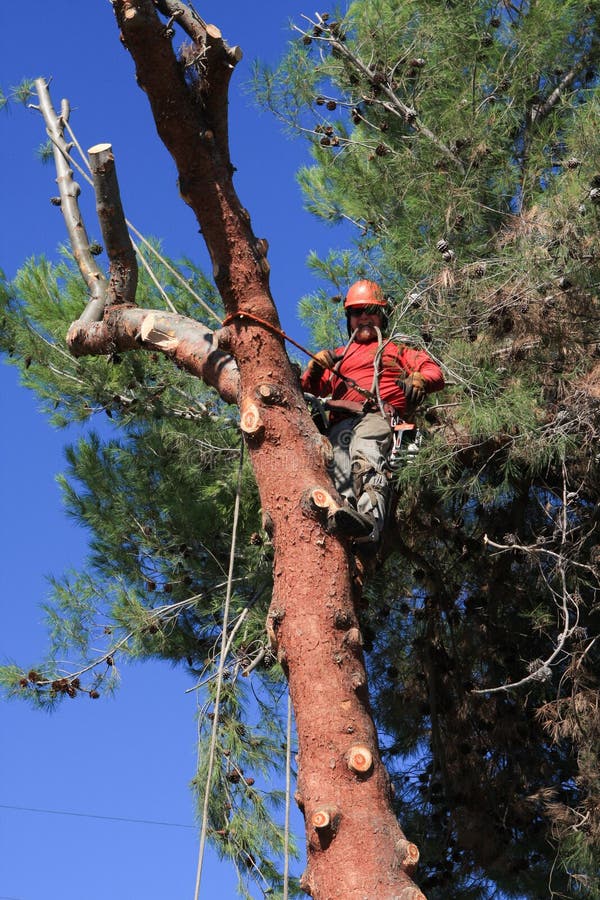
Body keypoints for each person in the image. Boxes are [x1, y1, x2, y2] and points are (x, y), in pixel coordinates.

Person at [301, 279, 445, 543]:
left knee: (365, 452)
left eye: (371, 311)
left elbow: (434, 372)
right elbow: (307, 388)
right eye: (357, 312)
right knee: (340, 472)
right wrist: (316, 366)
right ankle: (344, 525)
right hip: (340, 423)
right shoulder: (339, 356)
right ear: (349, 319)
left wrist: (419, 380)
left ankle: (370, 525)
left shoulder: (396, 349)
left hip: (377, 417)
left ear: (382, 316)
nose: (364, 317)